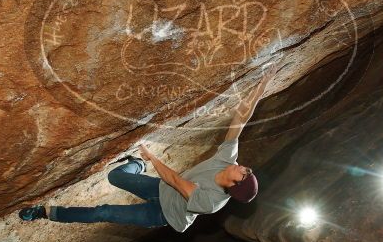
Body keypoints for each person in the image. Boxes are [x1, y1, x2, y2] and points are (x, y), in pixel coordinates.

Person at [18, 67, 276, 231]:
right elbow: (239, 120)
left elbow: (175, 179)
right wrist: (262, 85)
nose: (243, 167)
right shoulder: (227, 160)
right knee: (114, 176)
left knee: (104, 212)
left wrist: (152, 157)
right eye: (247, 169)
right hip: (162, 188)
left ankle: (47, 213)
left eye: (244, 174)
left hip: (162, 213)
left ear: (234, 186)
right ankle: (136, 165)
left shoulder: (212, 202)